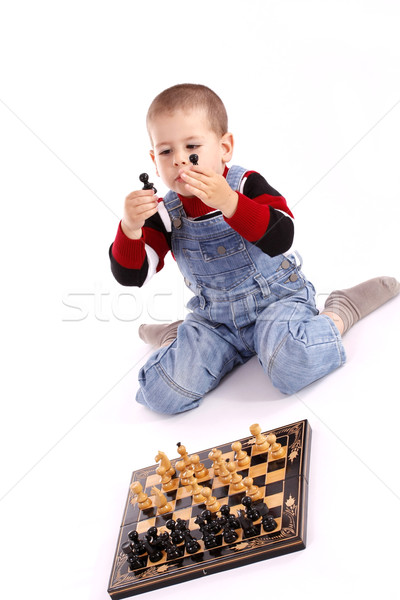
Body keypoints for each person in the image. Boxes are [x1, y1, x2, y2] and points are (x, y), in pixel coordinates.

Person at [109, 83, 399, 415]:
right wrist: (130, 229)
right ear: (153, 159)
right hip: (214, 322)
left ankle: (340, 312)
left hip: (276, 302)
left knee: (293, 363)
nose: (178, 162)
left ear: (224, 148)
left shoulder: (245, 184)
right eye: (165, 152)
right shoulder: (164, 212)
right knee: (161, 394)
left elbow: (282, 235)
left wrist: (230, 203)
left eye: (191, 148)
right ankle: (180, 338)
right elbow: (133, 274)